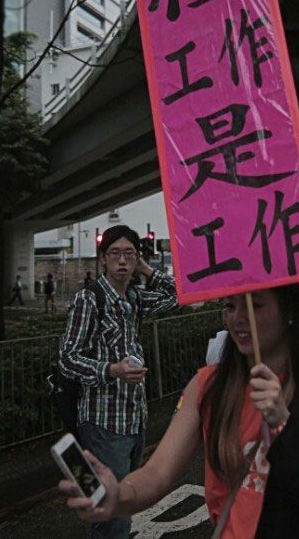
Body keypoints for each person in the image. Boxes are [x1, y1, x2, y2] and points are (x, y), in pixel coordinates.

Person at [60, 284, 299, 538]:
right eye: (229, 305)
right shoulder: (207, 385)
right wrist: (117, 496)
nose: (238, 318)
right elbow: (157, 473)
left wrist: (286, 425)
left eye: (255, 305)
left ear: (290, 310)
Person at [58, 225, 178, 539]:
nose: (121, 261)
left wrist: (145, 267)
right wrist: (112, 370)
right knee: (111, 519)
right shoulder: (89, 298)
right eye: (114, 254)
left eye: (129, 254)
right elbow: (67, 358)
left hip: (134, 418)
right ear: (103, 260)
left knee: (124, 507)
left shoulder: (134, 298)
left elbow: (177, 294)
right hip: (102, 421)